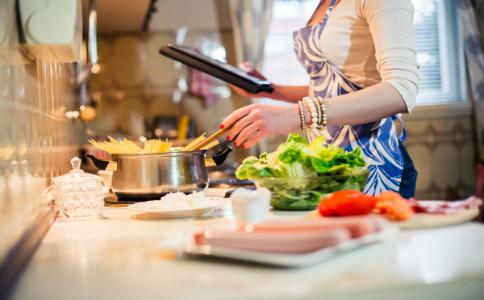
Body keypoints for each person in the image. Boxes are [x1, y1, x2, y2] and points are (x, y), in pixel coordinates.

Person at [220, 0, 419, 198]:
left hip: (373, 160)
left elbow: (401, 90)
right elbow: (331, 89)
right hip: (327, 162)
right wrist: (271, 90)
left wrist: (299, 114)